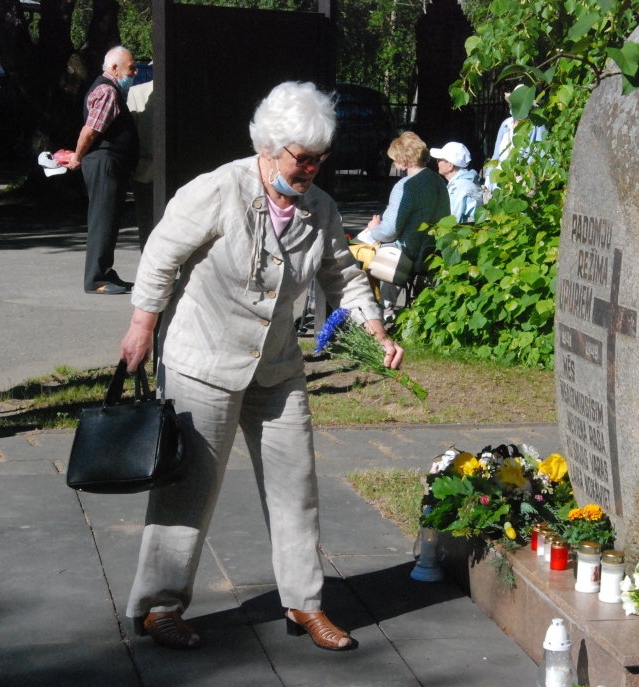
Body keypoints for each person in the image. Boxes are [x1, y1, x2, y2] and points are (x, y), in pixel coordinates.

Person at [118, 82, 401, 651]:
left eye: (320, 159)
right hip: (204, 362)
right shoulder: (220, 189)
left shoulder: (319, 208)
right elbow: (162, 253)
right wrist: (142, 325)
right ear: (270, 147)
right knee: (188, 489)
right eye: (303, 159)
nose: (312, 170)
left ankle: (304, 604)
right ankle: (160, 606)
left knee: (297, 486)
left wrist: (375, 326)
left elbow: (344, 276)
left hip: (276, 369)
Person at [66, 46, 140, 294]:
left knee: (108, 218)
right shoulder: (108, 91)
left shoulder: (111, 90)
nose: (135, 71)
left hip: (108, 163)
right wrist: (76, 157)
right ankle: (97, 279)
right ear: (115, 68)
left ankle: (105, 272)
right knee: (103, 219)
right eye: (131, 67)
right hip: (105, 163)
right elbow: (91, 130)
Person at [364, 132, 450, 312]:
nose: (394, 164)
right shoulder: (438, 181)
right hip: (432, 252)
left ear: (404, 159)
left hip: (405, 256)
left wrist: (373, 229)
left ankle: (380, 310)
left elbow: (389, 231)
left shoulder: (405, 186)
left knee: (362, 254)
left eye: (395, 159)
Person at [484, 84, 547, 194]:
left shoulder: (537, 125)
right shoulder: (506, 124)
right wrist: (489, 177)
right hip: (499, 182)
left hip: (523, 182)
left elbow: (543, 155)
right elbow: (496, 155)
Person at [127, 72, 155, 251]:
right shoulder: (138, 92)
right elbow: (131, 132)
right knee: (147, 221)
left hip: (177, 171)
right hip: (145, 168)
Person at [430, 142, 483, 224]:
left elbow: (452, 222)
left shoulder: (458, 189)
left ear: (450, 166)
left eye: (440, 159)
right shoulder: (467, 182)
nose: (437, 162)